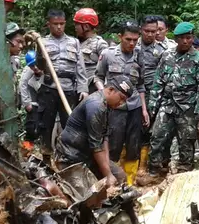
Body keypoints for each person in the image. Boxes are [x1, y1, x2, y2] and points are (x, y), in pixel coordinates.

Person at [136, 22, 199, 185]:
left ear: (192, 38)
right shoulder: (167, 56)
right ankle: (156, 171)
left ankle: (184, 174)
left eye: (188, 38)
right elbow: (158, 82)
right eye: (182, 38)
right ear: (176, 39)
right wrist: (153, 106)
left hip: (187, 108)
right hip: (167, 105)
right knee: (158, 137)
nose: (185, 41)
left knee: (186, 142)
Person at [94, 21, 148, 184]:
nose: (131, 43)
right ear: (120, 37)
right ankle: (113, 181)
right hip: (115, 108)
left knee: (134, 145)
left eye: (135, 40)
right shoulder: (108, 54)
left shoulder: (140, 55)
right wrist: (103, 95)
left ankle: (129, 183)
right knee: (114, 145)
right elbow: (97, 76)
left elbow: (141, 84)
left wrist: (144, 109)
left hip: (134, 107)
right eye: (128, 39)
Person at [55, 75, 133, 186]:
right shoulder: (96, 105)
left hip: (89, 155)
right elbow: (96, 145)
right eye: (121, 98)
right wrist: (108, 175)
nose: (121, 103)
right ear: (111, 90)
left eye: (124, 100)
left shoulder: (108, 106)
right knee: (89, 197)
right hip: (70, 156)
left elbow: (104, 138)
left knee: (119, 177)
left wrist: (108, 169)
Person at [34, 9, 88, 160]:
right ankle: (45, 158)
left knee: (70, 125)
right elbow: (39, 65)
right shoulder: (42, 42)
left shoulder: (74, 42)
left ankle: (69, 158)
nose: (59, 27)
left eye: (62, 24)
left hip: (68, 89)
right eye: (55, 24)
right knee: (46, 124)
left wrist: (83, 89)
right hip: (49, 88)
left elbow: (80, 68)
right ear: (49, 25)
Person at [137, 15, 168, 178]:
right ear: (141, 30)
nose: (150, 34)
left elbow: (162, 76)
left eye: (153, 31)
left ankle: (143, 165)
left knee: (147, 129)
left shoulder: (162, 51)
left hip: (152, 95)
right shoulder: (133, 45)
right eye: (147, 31)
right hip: (130, 93)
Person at [74, 8, 108, 92]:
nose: (75, 28)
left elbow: (107, 68)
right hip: (78, 87)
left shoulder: (99, 44)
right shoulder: (77, 43)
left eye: (77, 24)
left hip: (93, 89)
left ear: (86, 26)